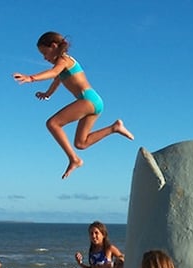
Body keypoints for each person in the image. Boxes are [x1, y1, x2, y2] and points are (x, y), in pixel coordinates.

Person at [13, 31, 134, 179]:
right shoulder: (63, 63)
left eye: (45, 53)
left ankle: (74, 159)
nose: (44, 58)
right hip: (94, 102)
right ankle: (114, 128)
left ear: (54, 46)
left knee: (53, 124)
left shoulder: (63, 60)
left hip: (87, 99)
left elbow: (54, 72)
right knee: (81, 143)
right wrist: (47, 94)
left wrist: (31, 78)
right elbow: (57, 80)